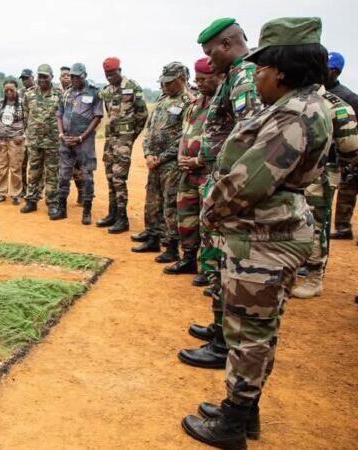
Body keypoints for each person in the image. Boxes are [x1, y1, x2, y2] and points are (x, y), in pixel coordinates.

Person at [181, 17, 332, 449]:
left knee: (249, 337)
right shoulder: (299, 105)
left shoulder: (294, 115)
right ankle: (243, 410)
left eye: (262, 68)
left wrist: (209, 211)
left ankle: (233, 423)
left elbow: (248, 182)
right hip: (266, 234)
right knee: (254, 331)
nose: (256, 75)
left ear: (281, 70)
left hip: (265, 239)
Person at [178, 17, 262, 371]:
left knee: (224, 262)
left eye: (211, 53)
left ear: (227, 45)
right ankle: (218, 329)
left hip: (228, 187)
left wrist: (227, 190)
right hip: (217, 179)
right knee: (216, 261)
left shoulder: (244, 78)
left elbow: (249, 136)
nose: (208, 62)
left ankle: (223, 343)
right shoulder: (235, 76)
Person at [290, 87, 358, 298]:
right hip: (290, 172)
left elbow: (350, 148)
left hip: (319, 175)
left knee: (315, 225)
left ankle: (314, 278)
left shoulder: (336, 106)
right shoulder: (289, 99)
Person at [165, 58, 223, 278]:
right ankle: (188, 258)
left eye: (203, 79)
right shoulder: (194, 105)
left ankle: (209, 268)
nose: (199, 84)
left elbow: (227, 140)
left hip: (208, 171)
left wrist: (199, 161)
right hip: (187, 172)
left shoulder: (222, 105)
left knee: (208, 220)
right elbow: (185, 134)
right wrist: (181, 155)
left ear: (216, 77)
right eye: (197, 80)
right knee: (186, 217)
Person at [133, 63, 191, 262]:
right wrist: (148, 154)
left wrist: (163, 156)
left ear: (182, 80)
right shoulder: (162, 100)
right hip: (154, 162)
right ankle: (152, 237)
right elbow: (149, 130)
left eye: (169, 82)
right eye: (163, 82)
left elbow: (185, 136)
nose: (164, 86)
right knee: (152, 202)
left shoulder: (189, 102)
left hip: (171, 164)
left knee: (170, 205)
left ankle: (172, 246)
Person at [98, 57, 148, 233]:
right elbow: (108, 113)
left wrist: (131, 137)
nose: (110, 77)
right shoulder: (106, 91)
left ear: (120, 70)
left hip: (123, 140)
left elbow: (142, 115)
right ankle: (112, 213)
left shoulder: (132, 87)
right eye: (107, 74)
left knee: (119, 179)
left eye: (112, 73)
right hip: (110, 139)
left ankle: (122, 218)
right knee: (110, 177)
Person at [55, 63, 104, 224]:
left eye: (77, 76)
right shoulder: (67, 92)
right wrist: (61, 134)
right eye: (73, 76)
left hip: (85, 141)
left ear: (84, 75)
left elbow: (97, 117)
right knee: (63, 175)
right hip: (66, 140)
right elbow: (59, 114)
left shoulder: (94, 92)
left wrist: (82, 137)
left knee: (87, 175)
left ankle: (87, 212)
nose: (74, 79)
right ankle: (61, 209)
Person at [20, 64, 62, 216]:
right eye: (40, 76)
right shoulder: (29, 94)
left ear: (52, 77)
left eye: (45, 76)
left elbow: (63, 117)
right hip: (34, 140)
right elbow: (25, 115)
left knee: (52, 173)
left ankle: (52, 203)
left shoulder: (59, 94)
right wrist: (29, 132)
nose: (42, 79)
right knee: (34, 172)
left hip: (53, 141)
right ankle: (31, 201)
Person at [326, 52, 358, 240]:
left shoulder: (349, 98)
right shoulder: (317, 93)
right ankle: (343, 228)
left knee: (348, 187)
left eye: (327, 69)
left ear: (335, 72)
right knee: (345, 191)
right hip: (330, 156)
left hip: (348, 152)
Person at [0, 79, 26, 204]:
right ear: (3, 90)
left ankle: (16, 194)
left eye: (12, 89)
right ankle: (1, 192)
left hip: (16, 141)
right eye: (6, 90)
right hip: (1, 141)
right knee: (1, 167)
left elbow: (29, 122)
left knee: (15, 168)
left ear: (17, 89)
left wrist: (23, 136)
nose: (9, 92)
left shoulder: (22, 104)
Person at [18, 69, 35, 187]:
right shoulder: (20, 93)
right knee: (22, 162)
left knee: (35, 164)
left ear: (32, 78)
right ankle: (23, 187)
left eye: (26, 78)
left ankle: (35, 189)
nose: (24, 81)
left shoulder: (38, 91)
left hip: (35, 133)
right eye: (23, 79)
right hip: (21, 132)